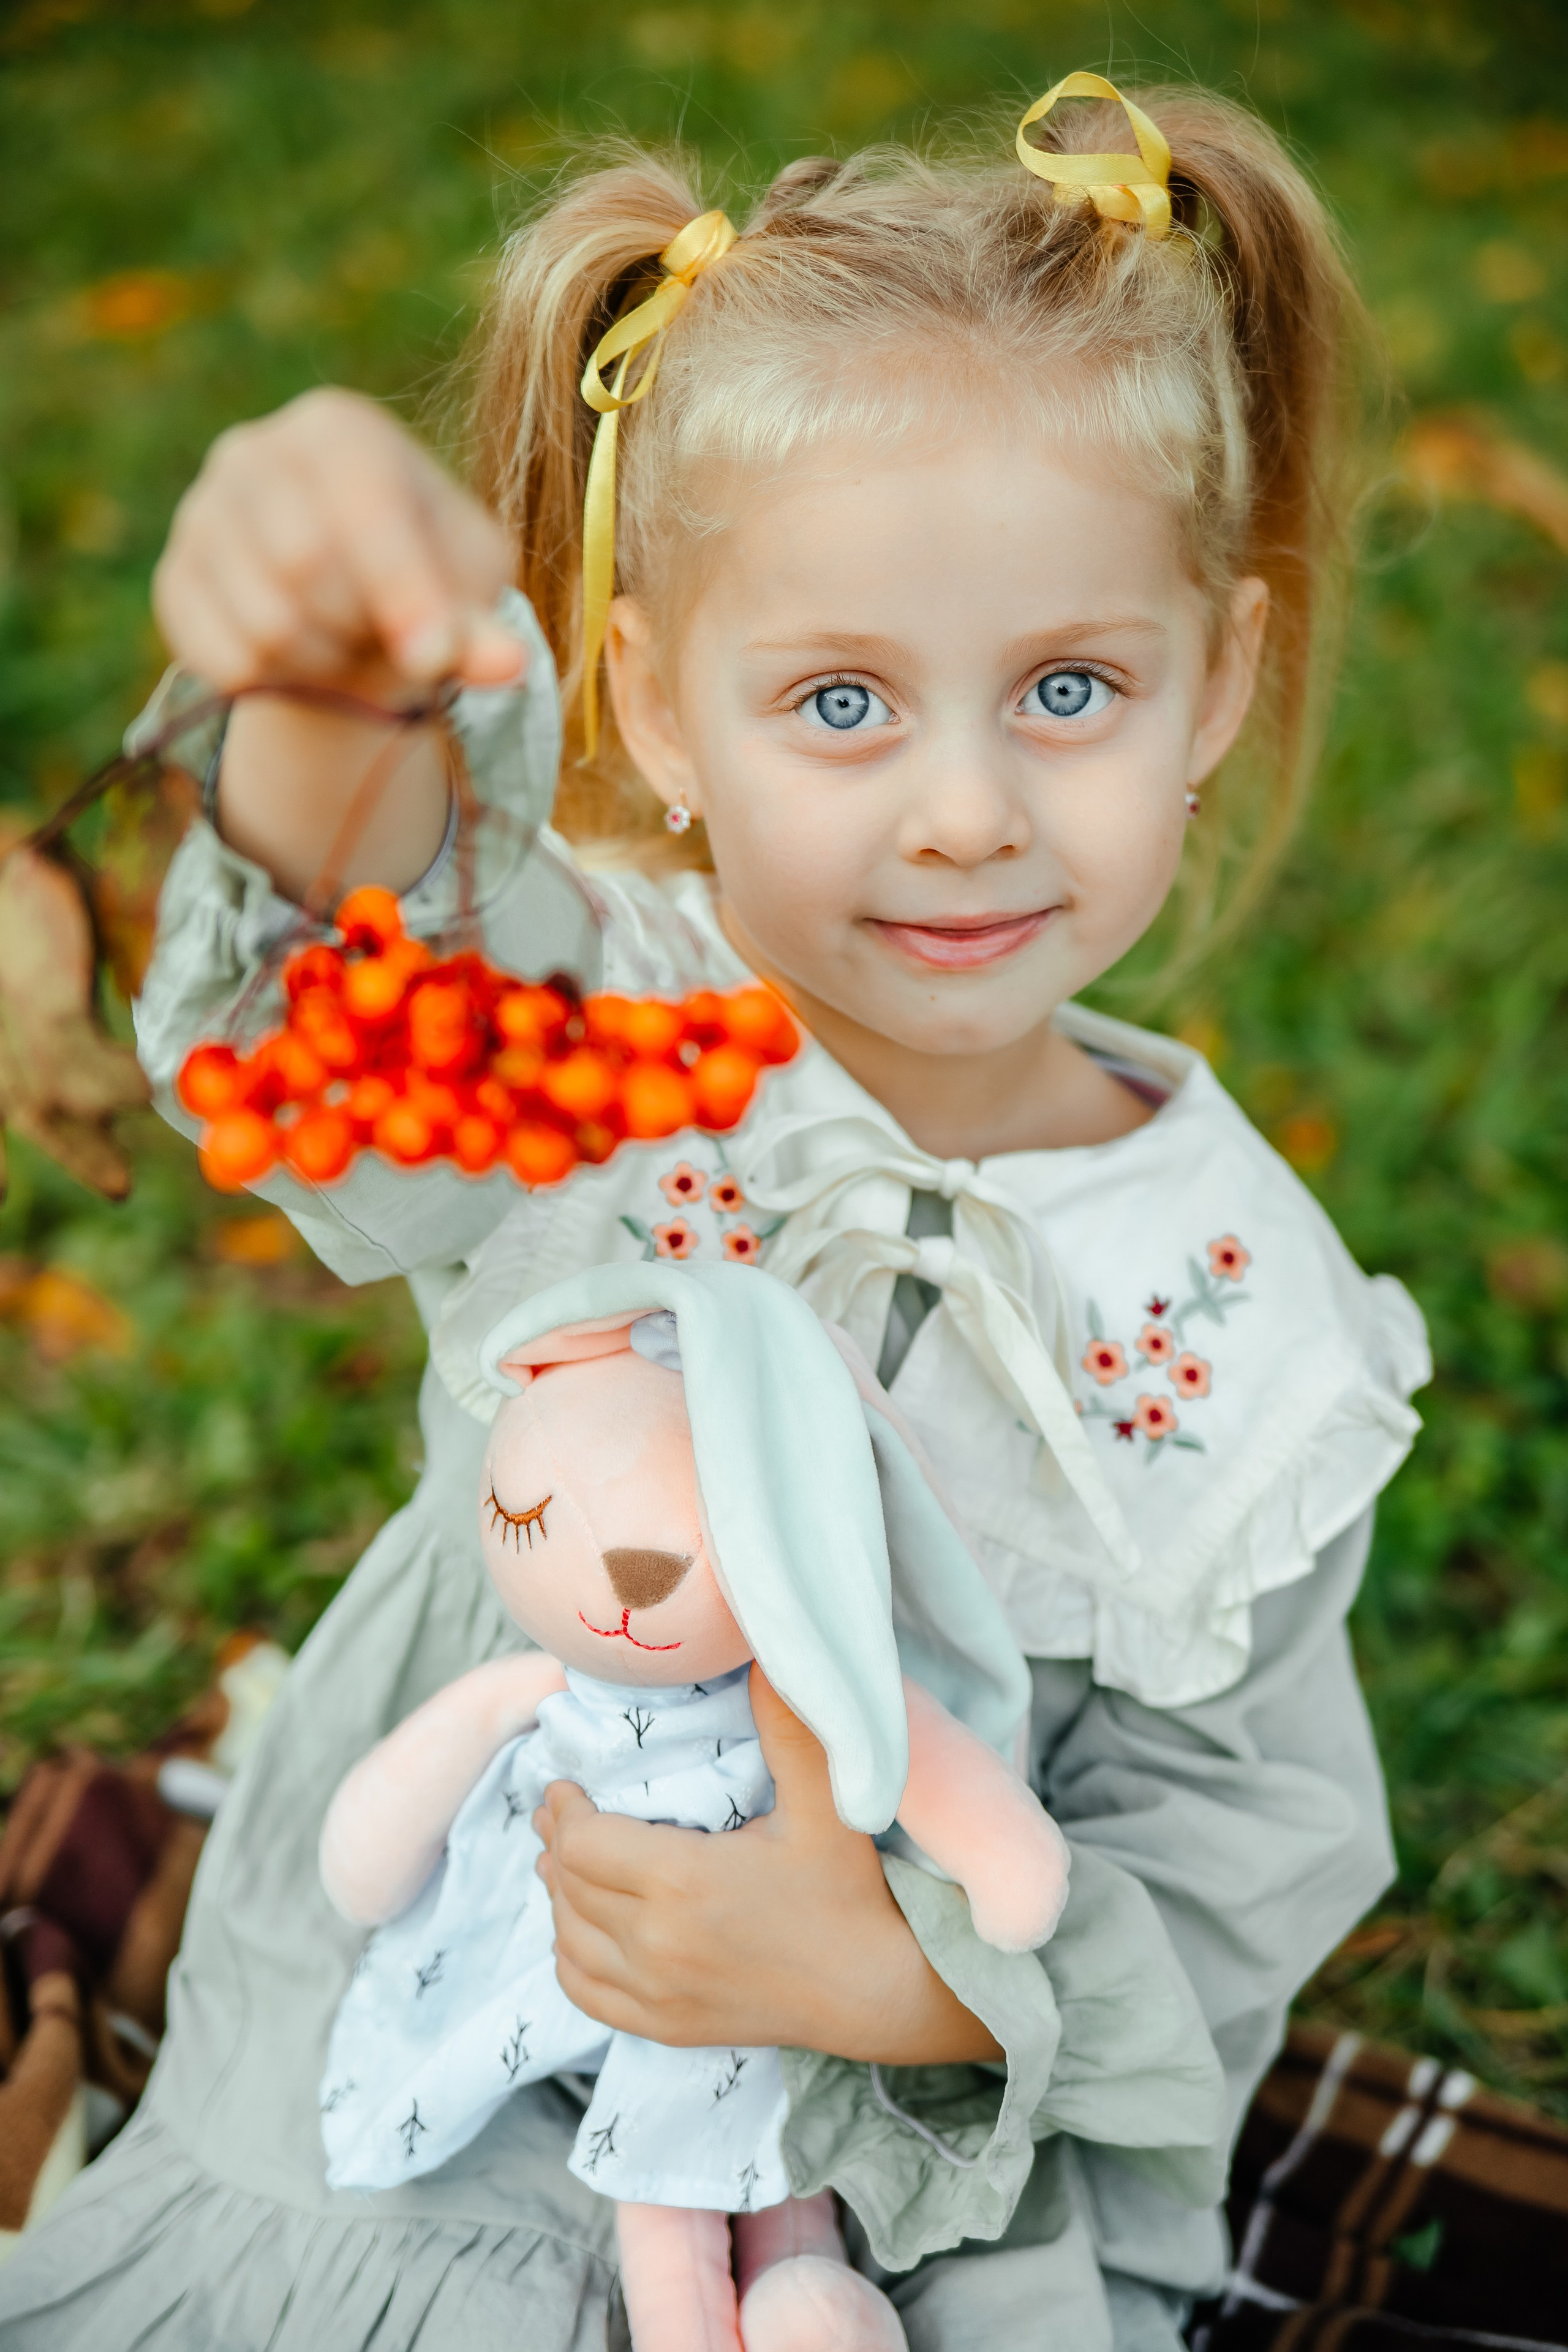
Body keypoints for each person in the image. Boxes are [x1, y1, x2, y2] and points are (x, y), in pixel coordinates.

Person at [0, 71, 1429, 2352]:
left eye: (1070, 688)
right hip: (434, 2072)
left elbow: (1235, 1855)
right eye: (840, 700)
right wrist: (320, 674)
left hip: (905, 2197)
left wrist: (901, 1977)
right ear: (659, 707)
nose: (965, 812)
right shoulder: (613, 1034)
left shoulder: (1249, 1319)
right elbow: (365, 976)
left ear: (1218, 684)